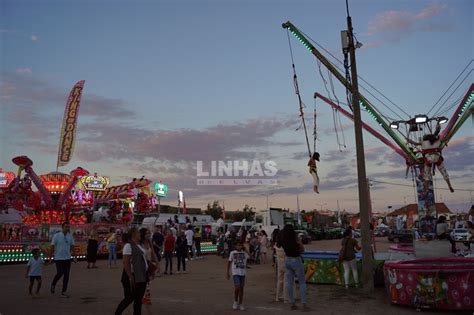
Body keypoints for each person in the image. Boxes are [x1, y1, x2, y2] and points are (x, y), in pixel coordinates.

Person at [407, 127, 454, 193]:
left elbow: (415, 143)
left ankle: (426, 190)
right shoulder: (437, 141)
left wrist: (409, 140)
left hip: (428, 159)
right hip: (437, 158)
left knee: (427, 176)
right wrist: (451, 131)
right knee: (444, 173)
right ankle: (449, 185)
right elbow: (446, 138)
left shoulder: (424, 142)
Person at [115, 227, 148, 315]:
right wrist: (130, 276)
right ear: (133, 234)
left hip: (141, 275)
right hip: (133, 275)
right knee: (129, 298)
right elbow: (126, 262)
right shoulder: (128, 246)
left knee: (138, 299)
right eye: (138, 233)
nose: (139, 234)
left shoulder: (139, 245)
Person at [280, 224, 308, 311]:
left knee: (289, 282)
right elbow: (302, 250)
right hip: (296, 260)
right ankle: (303, 304)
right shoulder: (296, 239)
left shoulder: (283, 239)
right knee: (302, 282)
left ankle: (292, 303)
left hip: (287, 260)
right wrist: (300, 242)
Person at [50, 221, 75, 298]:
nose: (67, 228)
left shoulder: (70, 236)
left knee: (66, 276)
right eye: (66, 227)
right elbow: (52, 246)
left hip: (67, 258)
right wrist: (51, 257)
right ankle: (53, 284)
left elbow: (72, 245)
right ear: (62, 227)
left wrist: (72, 254)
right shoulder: (57, 235)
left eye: (68, 227)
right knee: (60, 272)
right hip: (58, 258)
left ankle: (64, 292)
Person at [227, 240, 249, 311]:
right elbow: (229, 262)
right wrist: (228, 272)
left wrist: (246, 250)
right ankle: (235, 301)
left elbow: (251, 257)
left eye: (240, 245)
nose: (239, 247)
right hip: (235, 273)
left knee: (241, 289)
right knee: (237, 287)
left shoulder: (244, 253)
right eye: (237, 245)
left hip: (243, 273)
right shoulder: (232, 253)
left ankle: (241, 303)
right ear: (235, 246)